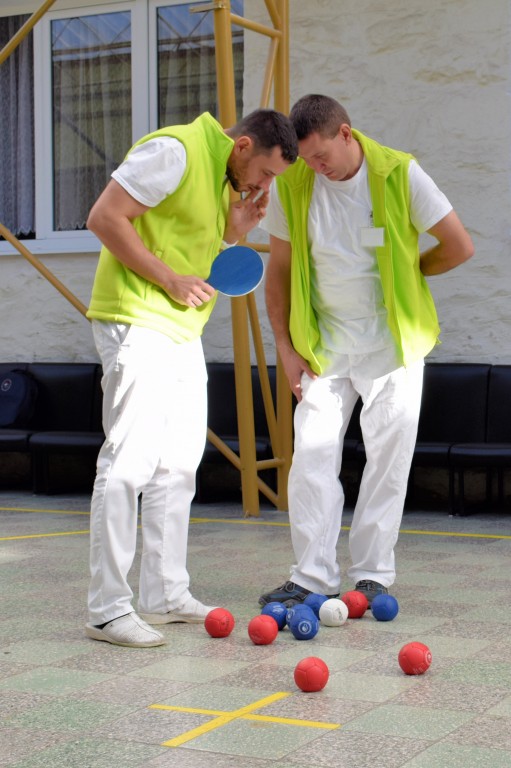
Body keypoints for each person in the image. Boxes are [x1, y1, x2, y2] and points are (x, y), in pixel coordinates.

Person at [85, 109, 298, 647]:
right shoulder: (175, 151)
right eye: (266, 172)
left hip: (181, 331)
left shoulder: (223, 179)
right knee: (127, 463)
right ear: (242, 145)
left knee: (178, 465)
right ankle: (107, 610)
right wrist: (169, 279)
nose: (265, 185)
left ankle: (164, 594)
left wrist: (232, 233)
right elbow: (105, 217)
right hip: (136, 319)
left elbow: (186, 243)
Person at [259, 94, 474, 609]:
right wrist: (285, 348)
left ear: (346, 134)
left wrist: (412, 272)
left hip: (391, 347)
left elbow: (459, 245)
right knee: (311, 460)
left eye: (321, 156)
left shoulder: (401, 173)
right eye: (307, 159)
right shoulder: (294, 183)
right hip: (323, 347)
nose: (315, 168)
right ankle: (311, 576)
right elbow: (279, 272)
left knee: (387, 462)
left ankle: (373, 574)